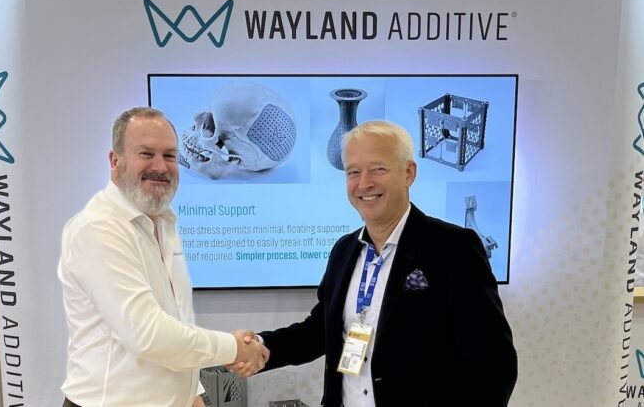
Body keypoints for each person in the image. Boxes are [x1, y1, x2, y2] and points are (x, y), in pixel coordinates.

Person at [238, 120, 517, 406]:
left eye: (378, 169)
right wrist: (261, 346)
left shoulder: (453, 248)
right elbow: (320, 331)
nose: (364, 183)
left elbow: (494, 364)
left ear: (408, 173)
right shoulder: (344, 251)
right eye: (353, 172)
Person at [57, 107, 267, 407]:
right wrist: (233, 349)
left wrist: (192, 393)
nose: (160, 166)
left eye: (169, 156)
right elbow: (148, 334)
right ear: (115, 161)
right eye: (146, 154)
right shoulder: (99, 229)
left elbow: (177, 319)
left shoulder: (163, 222)